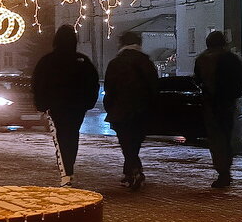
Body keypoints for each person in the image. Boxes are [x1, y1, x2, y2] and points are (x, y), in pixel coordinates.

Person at [32, 25, 101, 188]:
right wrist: (87, 103)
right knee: (72, 136)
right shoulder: (82, 61)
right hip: (77, 107)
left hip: (56, 107)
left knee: (60, 138)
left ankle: (66, 175)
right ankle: (69, 170)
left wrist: (42, 104)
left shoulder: (48, 60)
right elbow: (93, 83)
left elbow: (38, 84)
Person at [103, 31, 158, 189]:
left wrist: (110, 108)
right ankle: (131, 172)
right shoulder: (146, 62)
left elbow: (109, 88)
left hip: (121, 110)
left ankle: (134, 172)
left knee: (127, 143)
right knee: (134, 143)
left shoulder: (116, 63)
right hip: (142, 110)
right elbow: (154, 86)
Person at [193, 31, 242, 189]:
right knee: (227, 135)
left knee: (216, 139)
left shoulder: (202, 59)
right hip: (228, 102)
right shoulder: (230, 58)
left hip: (210, 103)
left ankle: (222, 171)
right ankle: (226, 170)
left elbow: (197, 79)